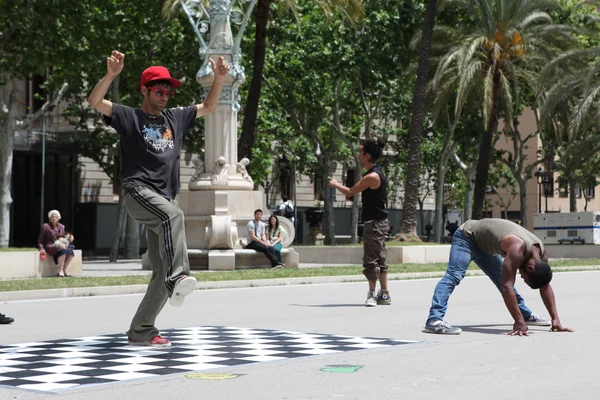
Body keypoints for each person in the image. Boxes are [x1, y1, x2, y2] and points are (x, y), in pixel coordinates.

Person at [87, 50, 230, 348]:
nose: (165, 96)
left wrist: (219, 79)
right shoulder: (129, 116)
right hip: (139, 192)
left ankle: (142, 329)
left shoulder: (175, 118)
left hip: (164, 198)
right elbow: (95, 102)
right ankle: (180, 276)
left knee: (160, 267)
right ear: (145, 90)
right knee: (173, 216)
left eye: (168, 92)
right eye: (159, 91)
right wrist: (111, 76)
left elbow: (210, 106)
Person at [425, 218, 574, 336]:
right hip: (467, 237)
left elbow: (545, 284)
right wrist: (518, 322)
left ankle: (525, 314)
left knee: (502, 279)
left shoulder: (541, 257)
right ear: (530, 268)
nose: (522, 277)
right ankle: (434, 320)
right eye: (525, 277)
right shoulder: (517, 250)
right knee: (454, 275)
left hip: (485, 246)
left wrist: (556, 319)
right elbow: (506, 286)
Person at [329, 138, 391, 307]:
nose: (358, 154)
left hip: (375, 224)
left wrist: (335, 184)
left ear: (367, 155)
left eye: (361, 152)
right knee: (380, 259)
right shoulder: (377, 173)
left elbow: (350, 192)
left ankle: (372, 295)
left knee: (371, 260)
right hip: (380, 222)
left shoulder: (372, 176)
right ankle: (384, 294)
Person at [37, 210, 74, 277]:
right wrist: (42, 248)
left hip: (60, 245)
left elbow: (62, 237)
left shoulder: (61, 227)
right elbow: (40, 240)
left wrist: (67, 238)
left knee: (71, 252)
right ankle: (60, 271)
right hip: (50, 245)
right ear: (50, 218)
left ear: (58, 218)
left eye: (55, 217)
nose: (54, 218)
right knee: (63, 251)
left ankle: (64, 269)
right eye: (52, 217)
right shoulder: (46, 226)